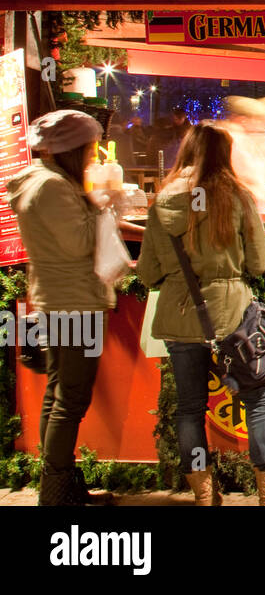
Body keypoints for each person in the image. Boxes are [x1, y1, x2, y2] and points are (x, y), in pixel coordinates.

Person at [136, 124, 265, 505]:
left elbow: (148, 273)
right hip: (231, 314)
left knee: (190, 407)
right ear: (223, 155)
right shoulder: (236, 196)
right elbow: (258, 262)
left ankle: (204, 493)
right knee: (257, 399)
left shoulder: (162, 201)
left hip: (178, 316)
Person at [5, 110, 114, 506]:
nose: (92, 155)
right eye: (88, 147)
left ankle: (61, 482)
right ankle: (56, 492)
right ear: (71, 148)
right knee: (70, 399)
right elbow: (79, 242)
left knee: (60, 393)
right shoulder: (51, 187)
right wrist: (102, 203)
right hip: (74, 304)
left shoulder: (46, 183)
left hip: (62, 300)